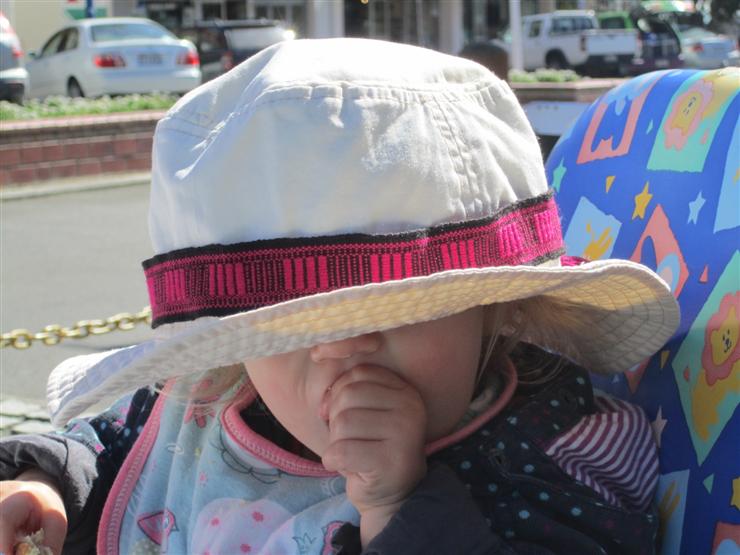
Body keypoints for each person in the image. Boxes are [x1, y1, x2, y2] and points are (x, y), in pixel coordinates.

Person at [0, 38, 679, 555]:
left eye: (395, 309)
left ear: (497, 309)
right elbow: (114, 433)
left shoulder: (554, 446)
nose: (343, 345)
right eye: (285, 326)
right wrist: (46, 483)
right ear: (236, 340)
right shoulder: (209, 397)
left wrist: (397, 507)